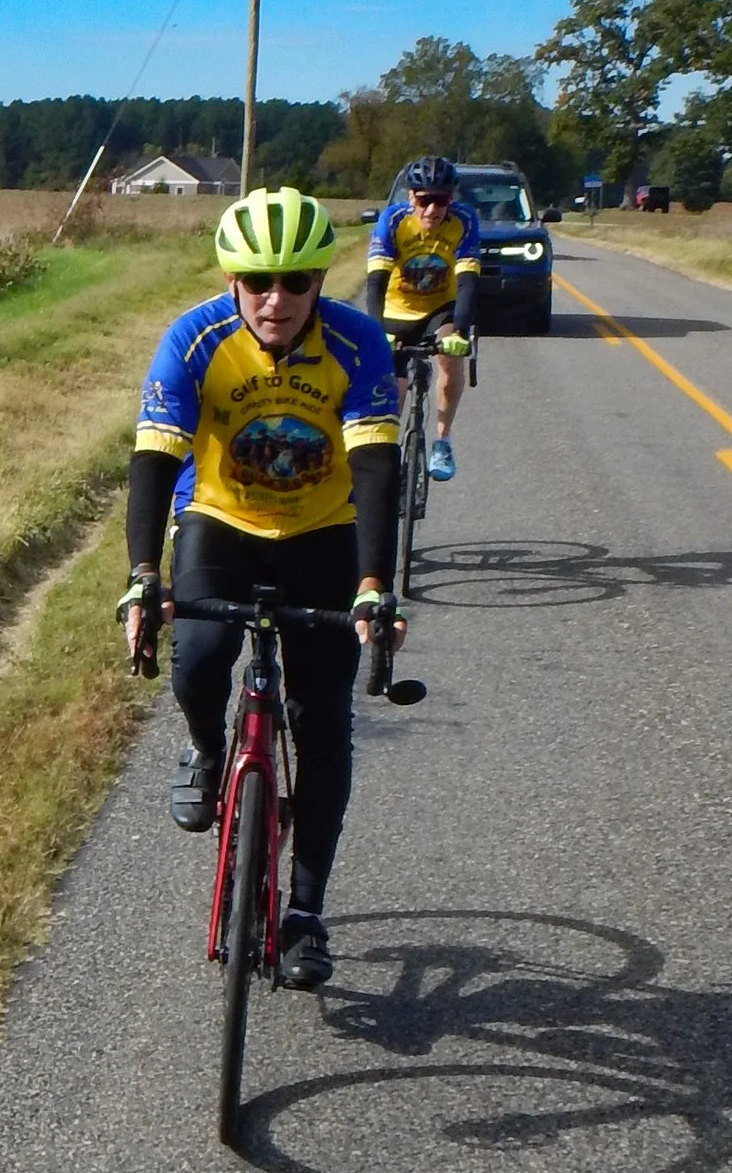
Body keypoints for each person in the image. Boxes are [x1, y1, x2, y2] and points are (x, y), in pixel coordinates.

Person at [120, 186, 400, 991]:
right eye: (257, 282)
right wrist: (144, 577)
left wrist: (375, 586)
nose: (277, 300)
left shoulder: (358, 342)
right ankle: (210, 751)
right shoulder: (194, 338)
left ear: (320, 280)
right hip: (222, 519)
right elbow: (154, 460)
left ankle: (306, 911)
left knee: (322, 722)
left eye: (297, 282)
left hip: (323, 530)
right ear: (232, 280)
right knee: (199, 652)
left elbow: (378, 465)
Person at [363, 155, 480, 480]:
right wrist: (376, 331)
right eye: (425, 200)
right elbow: (375, 281)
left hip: (438, 309)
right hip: (395, 310)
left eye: (440, 200)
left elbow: (468, 280)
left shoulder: (464, 221)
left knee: (449, 355)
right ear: (411, 197)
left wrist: (459, 330)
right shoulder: (394, 219)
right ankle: (385, 448)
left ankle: (442, 441)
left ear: (451, 199)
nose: (432, 209)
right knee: (394, 386)